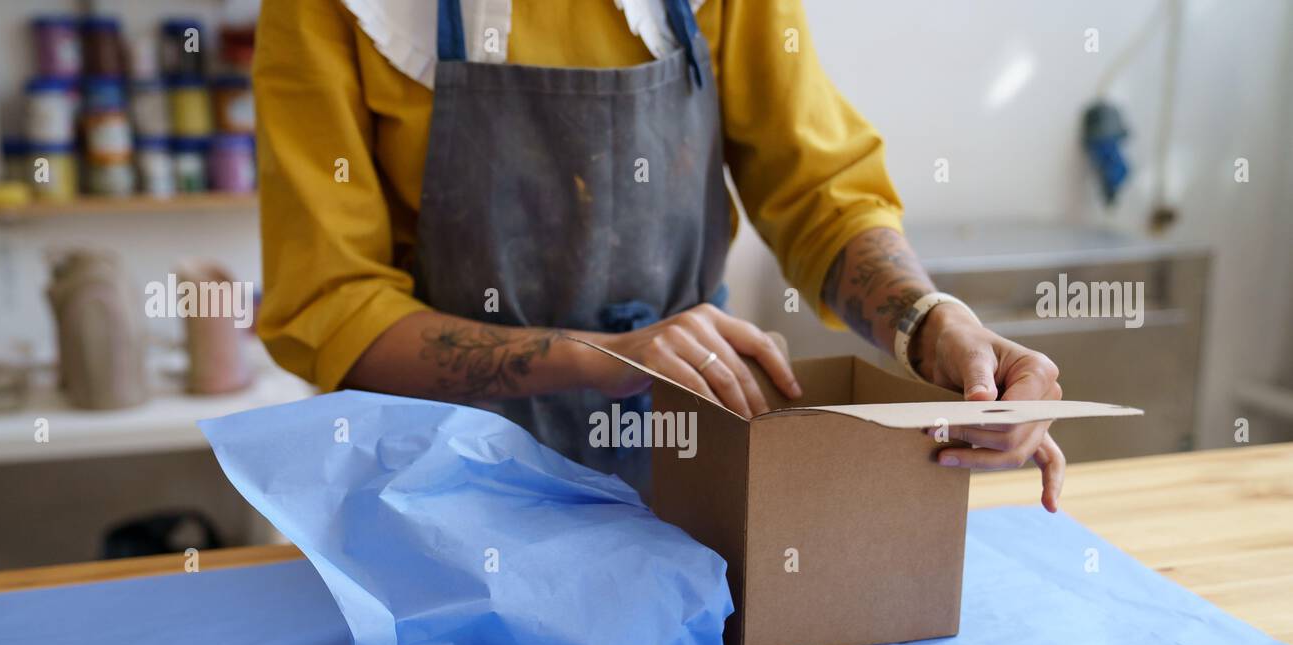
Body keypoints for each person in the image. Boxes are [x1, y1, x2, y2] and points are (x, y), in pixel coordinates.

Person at [255, 0, 1065, 509]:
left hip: (693, 461)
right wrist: (598, 356)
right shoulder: (334, 11)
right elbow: (334, 307)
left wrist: (929, 324)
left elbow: (820, 192)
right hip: (442, 499)